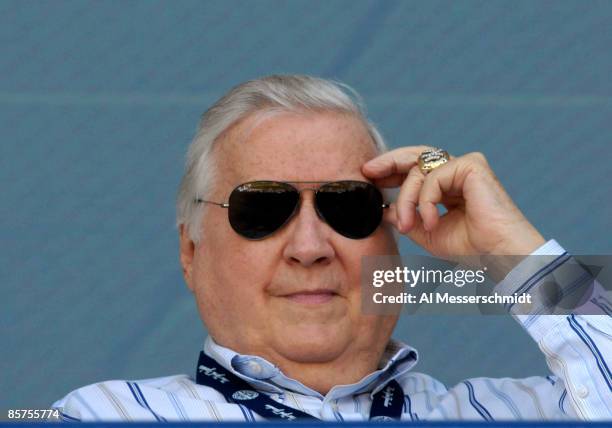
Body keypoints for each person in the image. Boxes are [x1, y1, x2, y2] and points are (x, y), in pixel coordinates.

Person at [52, 75, 611, 421]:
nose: (310, 246)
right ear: (191, 253)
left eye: (347, 206)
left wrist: (516, 251)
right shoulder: (96, 415)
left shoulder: (513, 414)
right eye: (261, 210)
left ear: (394, 233)